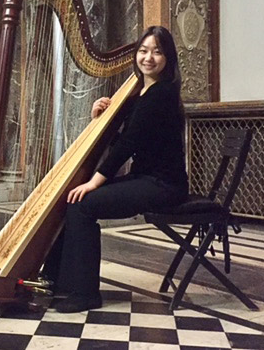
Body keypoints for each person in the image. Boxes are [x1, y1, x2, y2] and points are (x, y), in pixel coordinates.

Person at [47, 25, 189, 313]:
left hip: (164, 185)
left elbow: (126, 145)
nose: (148, 57)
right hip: (146, 178)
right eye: (143, 50)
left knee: (83, 203)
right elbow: (120, 138)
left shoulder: (160, 94)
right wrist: (98, 115)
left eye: (157, 52)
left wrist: (95, 183)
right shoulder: (142, 94)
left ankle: (85, 293)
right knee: (73, 198)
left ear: (168, 58)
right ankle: (60, 281)